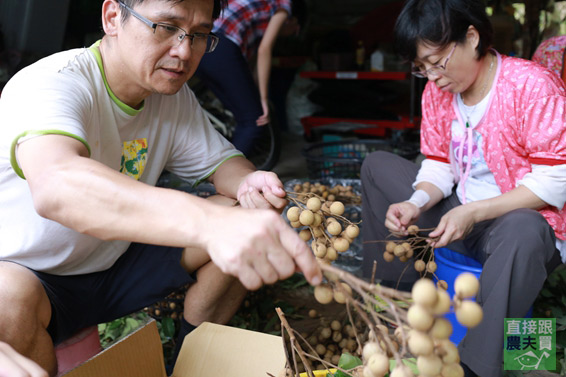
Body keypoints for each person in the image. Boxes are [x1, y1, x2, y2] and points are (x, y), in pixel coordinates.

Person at [0, 0, 322, 376]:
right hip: (33, 276)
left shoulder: (169, 97)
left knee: (251, 211)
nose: (184, 51)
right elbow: (58, 185)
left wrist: (250, 181)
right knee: (6, 300)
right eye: (166, 27)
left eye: (200, 34)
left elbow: (226, 165)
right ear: (112, 18)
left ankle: (191, 357)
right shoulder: (52, 82)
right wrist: (206, 222)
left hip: (114, 265)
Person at [360, 0, 566, 376]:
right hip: (457, 213)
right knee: (377, 165)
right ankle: (393, 302)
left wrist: (475, 212)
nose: (432, 77)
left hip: (511, 226)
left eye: (436, 62)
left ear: (471, 38)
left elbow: (557, 180)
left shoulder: (532, 86)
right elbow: (439, 163)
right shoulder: (438, 92)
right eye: (421, 69)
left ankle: (475, 366)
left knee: (525, 230)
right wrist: (416, 201)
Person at [194, 0, 303, 158]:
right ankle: (227, 174)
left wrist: (257, 93)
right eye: (296, 31)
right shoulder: (285, 5)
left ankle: (218, 172)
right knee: (253, 120)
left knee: (244, 115)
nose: (292, 34)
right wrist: (264, 99)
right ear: (292, 20)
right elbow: (265, 50)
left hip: (202, 44)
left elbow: (251, 69)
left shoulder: (262, 8)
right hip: (221, 46)